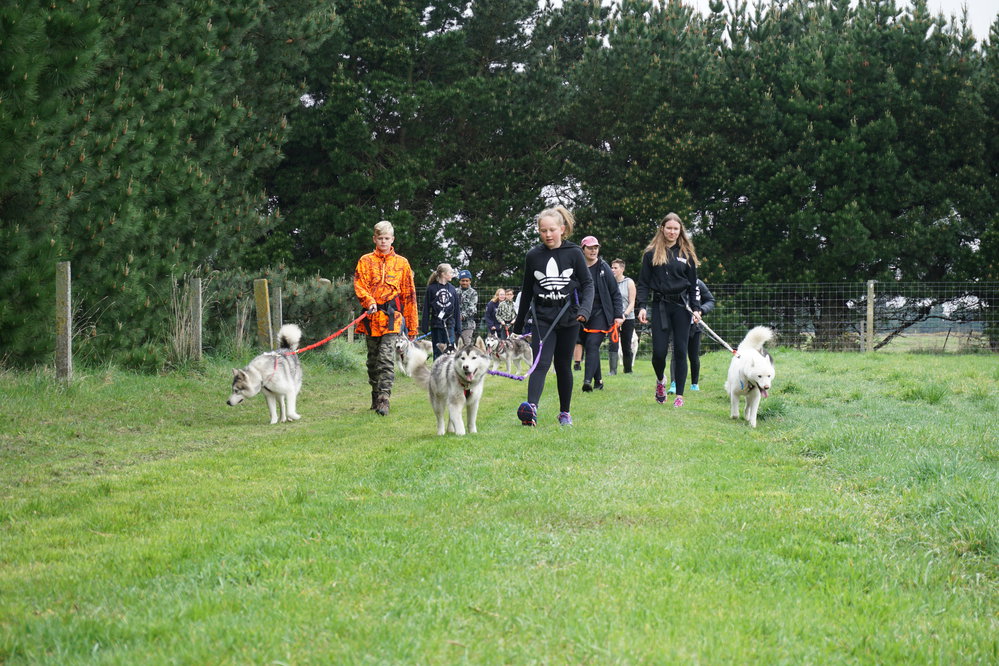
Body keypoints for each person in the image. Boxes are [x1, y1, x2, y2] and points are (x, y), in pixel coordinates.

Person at [512, 205, 594, 427]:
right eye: (543, 230)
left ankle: (564, 412)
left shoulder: (574, 253)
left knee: (563, 365)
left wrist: (584, 311)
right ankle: (531, 411)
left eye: (551, 230)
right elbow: (527, 290)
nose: (547, 235)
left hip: (568, 318)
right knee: (541, 363)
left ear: (562, 229)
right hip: (542, 318)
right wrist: (518, 326)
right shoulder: (533, 255)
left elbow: (587, 284)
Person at [636, 212, 702, 408]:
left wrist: (696, 308)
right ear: (662, 229)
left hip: (682, 306)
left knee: (681, 351)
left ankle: (679, 395)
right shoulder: (651, 254)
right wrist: (642, 306)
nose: (672, 232)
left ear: (680, 230)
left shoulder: (686, 254)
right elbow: (643, 283)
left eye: (676, 228)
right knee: (658, 353)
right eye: (669, 228)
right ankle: (660, 381)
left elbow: (693, 285)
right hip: (660, 306)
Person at [354, 220, 419, 416]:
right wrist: (368, 300)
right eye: (380, 238)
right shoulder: (365, 261)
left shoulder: (402, 263)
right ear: (375, 239)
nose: (383, 241)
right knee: (372, 362)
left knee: (385, 359)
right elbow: (359, 285)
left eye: (387, 238)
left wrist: (413, 326)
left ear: (392, 239)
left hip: (392, 319)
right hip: (371, 317)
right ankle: (375, 396)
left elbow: (409, 295)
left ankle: (384, 399)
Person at [578, 236, 624, 392]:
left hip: (602, 313)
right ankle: (598, 381)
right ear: (583, 249)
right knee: (590, 346)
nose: (593, 250)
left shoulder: (604, 268)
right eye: (590, 248)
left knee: (592, 344)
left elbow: (615, 293)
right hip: (583, 313)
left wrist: (618, 315)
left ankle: (587, 382)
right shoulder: (578, 267)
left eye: (596, 247)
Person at [669, 278, 715, 392]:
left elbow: (710, 300)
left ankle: (694, 384)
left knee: (693, 356)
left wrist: (701, 311)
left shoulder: (698, 284)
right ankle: (674, 384)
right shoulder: (674, 282)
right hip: (677, 325)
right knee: (677, 354)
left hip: (695, 326)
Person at [422, 263, 462, 359]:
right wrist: (425, 326)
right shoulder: (431, 289)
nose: (452, 274)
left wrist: (458, 327)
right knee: (438, 349)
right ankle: (437, 370)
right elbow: (426, 308)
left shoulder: (452, 289)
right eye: (450, 272)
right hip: (437, 323)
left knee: (450, 349)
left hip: (449, 323)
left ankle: (449, 371)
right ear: (443, 274)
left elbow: (456, 308)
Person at [610, 258, 637, 374]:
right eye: (612, 267)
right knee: (613, 343)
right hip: (614, 317)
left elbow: (632, 302)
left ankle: (628, 370)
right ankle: (613, 370)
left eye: (615, 268)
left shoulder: (629, 282)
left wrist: (624, 315)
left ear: (622, 269)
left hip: (627, 317)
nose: (612, 270)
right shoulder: (610, 282)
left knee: (626, 344)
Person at [457, 269, 478, 346]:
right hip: (455, 325)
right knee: (455, 346)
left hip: (468, 325)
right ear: (459, 281)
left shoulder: (473, 293)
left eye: (466, 280)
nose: (464, 282)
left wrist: (462, 316)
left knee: (466, 346)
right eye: (463, 280)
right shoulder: (455, 291)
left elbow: (473, 308)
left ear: (470, 281)